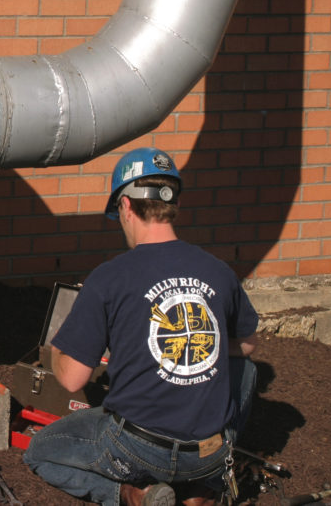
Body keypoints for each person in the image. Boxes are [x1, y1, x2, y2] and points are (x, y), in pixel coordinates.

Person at [23, 147, 259, 506]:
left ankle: (133, 494)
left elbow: (72, 379)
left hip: (136, 450)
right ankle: (202, 488)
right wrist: (202, 351)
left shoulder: (109, 278)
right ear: (171, 205)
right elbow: (247, 345)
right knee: (245, 371)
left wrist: (61, 345)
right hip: (211, 451)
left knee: (39, 451)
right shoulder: (218, 271)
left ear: (127, 207)